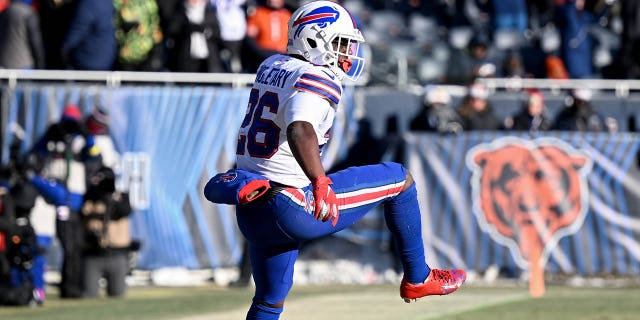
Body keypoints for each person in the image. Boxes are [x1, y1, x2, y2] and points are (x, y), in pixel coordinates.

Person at [204, 2, 466, 319]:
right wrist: (319, 180)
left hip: (254, 209)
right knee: (400, 179)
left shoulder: (271, 65)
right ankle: (418, 277)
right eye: (342, 43)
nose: (348, 52)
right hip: (293, 204)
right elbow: (300, 128)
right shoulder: (317, 76)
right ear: (314, 40)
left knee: (269, 301)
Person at [165, 0, 224, 73]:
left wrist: (206, 31)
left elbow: (217, 33)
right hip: (186, 58)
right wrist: (188, 29)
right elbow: (173, 31)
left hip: (208, 59)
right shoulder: (180, 11)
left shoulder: (209, 12)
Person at [61, 0, 116, 71]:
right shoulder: (107, 2)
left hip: (87, 61)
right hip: (105, 61)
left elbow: (78, 29)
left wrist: (64, 49)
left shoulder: (89, 3)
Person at [242, 0, 291, 72]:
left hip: (284, 55)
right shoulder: (258, 13)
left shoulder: (287, 15)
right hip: (264, 54)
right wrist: (260, 52)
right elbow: (250, 37)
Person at [0, 0, 45, 69]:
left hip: (4, 63)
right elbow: (35, 41)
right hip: (23, 64)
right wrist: (40, 64)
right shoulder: (28, 13)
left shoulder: (3, 13)